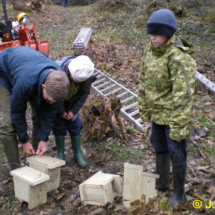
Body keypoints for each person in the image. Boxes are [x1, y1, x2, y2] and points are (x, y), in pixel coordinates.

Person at [138, 9, 196, 207]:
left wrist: (178, 125)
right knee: (159, 148)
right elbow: (143, 81)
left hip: (173, 116)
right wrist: (144, 109)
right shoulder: (150, 51)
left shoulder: (179, 57)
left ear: (168, 34)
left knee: (176, 151)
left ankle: (179, 192)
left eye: (157, 33)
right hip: (157, 115)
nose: (152, 37)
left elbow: (184, 95)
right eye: (150, 33)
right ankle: (162, 182)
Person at [0, 46, 70, 171]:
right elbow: (17, 111)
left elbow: (48, 114)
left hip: (27, 70)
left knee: (39, 114)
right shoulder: (25, 83)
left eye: (52, 102)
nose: (50, 103)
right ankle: (16, 169)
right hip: (3, 71)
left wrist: (44, 138)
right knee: (7, 124)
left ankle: (35, 158)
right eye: (48, 99)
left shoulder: (60, 83)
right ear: (43, 86)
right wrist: (24, 141)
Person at [53, 55, 96, 168]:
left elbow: (83, 95)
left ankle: (77, 153)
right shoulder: (57, 72)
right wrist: (61, 111)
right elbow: (55, 94)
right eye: (73, 79)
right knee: (59, 125)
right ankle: (60, 153)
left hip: (72, 103)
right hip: (58, 102)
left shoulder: (87, 77)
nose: (74, 81)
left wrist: (73, 110)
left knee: (75, 124)